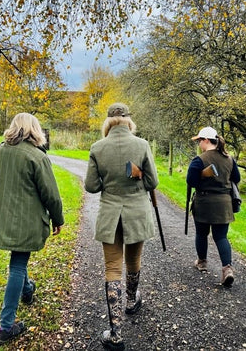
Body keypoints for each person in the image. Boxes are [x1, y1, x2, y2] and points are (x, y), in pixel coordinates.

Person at [0, 113, 64, 345]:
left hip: (2, 221)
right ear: (34, 130)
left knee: (18, 260)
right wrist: (57, 219)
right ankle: (6, 326)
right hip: (27, 222)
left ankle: (27, 289)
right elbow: (51, 195)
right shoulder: (37, 156)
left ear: (14, 128)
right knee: (18, 264)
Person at [84, 103, 159, 351]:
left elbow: (91, 187)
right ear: (128, 121)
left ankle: (115, 334)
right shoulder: (142, 145)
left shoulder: (97, 148)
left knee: (112, 268)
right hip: (137, 213)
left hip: (110, 215)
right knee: (133, 261)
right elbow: (153, 181)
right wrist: (136, 175)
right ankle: (130, 301)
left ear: (108, 122)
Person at [186, 126, 241, 287]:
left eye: (199, 141)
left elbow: (191, 182)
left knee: (202, 234)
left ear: (206, 140)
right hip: (224, 203)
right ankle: (227, 269)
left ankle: (202, 262)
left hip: (204, 202)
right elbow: (235, 178)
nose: (198, 144)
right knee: (221, 237)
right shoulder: (229, 159)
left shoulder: (199, 160)